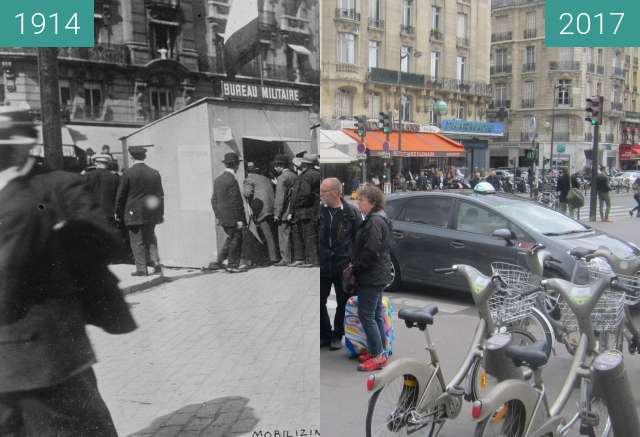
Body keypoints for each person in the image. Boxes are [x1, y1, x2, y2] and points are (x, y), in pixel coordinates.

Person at [0, 107, 136, 435]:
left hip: (49, 347)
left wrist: (54, 241)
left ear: (22, 145)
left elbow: (105, 241)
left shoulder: (59, 185)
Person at [352, 184, 393, 372]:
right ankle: (380, 350)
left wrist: (357, 266)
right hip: (378, 273)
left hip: (371, 274)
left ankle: (378, 356)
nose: (358, 202)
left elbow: (371, 250)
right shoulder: (378, 218)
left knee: (366, 315)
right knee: (375, 313)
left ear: (372, 202)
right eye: (358, 199)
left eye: (362, 200)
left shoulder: (374, 221)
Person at [320, 178, 361, 351]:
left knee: (342, 302)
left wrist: (353, 262)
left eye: (323, 191)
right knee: (318, 301)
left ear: (335, 193)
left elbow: (359, 239)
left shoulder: (351, 212)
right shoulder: (319, 211)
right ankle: (325, 334)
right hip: (322, 264)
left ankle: (338, 334)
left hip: (342, 265)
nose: (320, 195)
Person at [115, 146, 165, 276]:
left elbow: (121, 195)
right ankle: (156, 264)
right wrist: (160, 213)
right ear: (145, 157)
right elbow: (160, 195)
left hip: (134, 212)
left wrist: (117, 211)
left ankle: (142, 269)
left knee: (137, 240)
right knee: (151, 237)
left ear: (131, 157)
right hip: (151, 211)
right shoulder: (154, 172)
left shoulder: (128, 173)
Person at [210, 152, 247, 273]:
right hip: (233, 218)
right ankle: (232, 265)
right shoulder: (232, 180)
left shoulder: (218, 180)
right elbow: (236, 202)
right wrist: (240, 219)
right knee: (236, 239)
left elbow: (213, 200)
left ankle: (219, 262)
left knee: (231, 238)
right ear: (236, 165)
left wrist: (218, 216)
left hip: (223, 217)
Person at [243, 162, 279, 265]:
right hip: (271, 209)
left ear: (247, 171)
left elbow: (247, 193)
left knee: (266, 234)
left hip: (261, 209)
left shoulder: (249, 178)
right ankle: (273, 256)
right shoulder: (266, 179)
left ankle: (272, 258)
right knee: (271, 234)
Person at [290, 155, 320, 267]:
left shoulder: (306, 176)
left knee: (307, 235)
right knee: (311, 234)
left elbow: (304, 194)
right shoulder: (317, 174)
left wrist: (296, 205)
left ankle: (311, 260)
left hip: (305, 210)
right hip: (314, 209)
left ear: (305, 164)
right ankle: (307, 258)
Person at [273, 154, 299, 266]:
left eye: (275, 165)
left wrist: (277, 214)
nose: (274, 168)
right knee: (292, 234)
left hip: (285, 211)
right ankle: (293, 257)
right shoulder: (294, 175)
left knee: (283, 235)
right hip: (294, 210)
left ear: (280, 166)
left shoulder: (281, 178)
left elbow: (280, 197)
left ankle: (285, 258)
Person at [84, 154, 120, 227]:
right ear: (107, 163)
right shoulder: (114, 177)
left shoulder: (87, 176)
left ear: (95, 163)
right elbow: (118, 196)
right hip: (109, 213)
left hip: (92, 213)